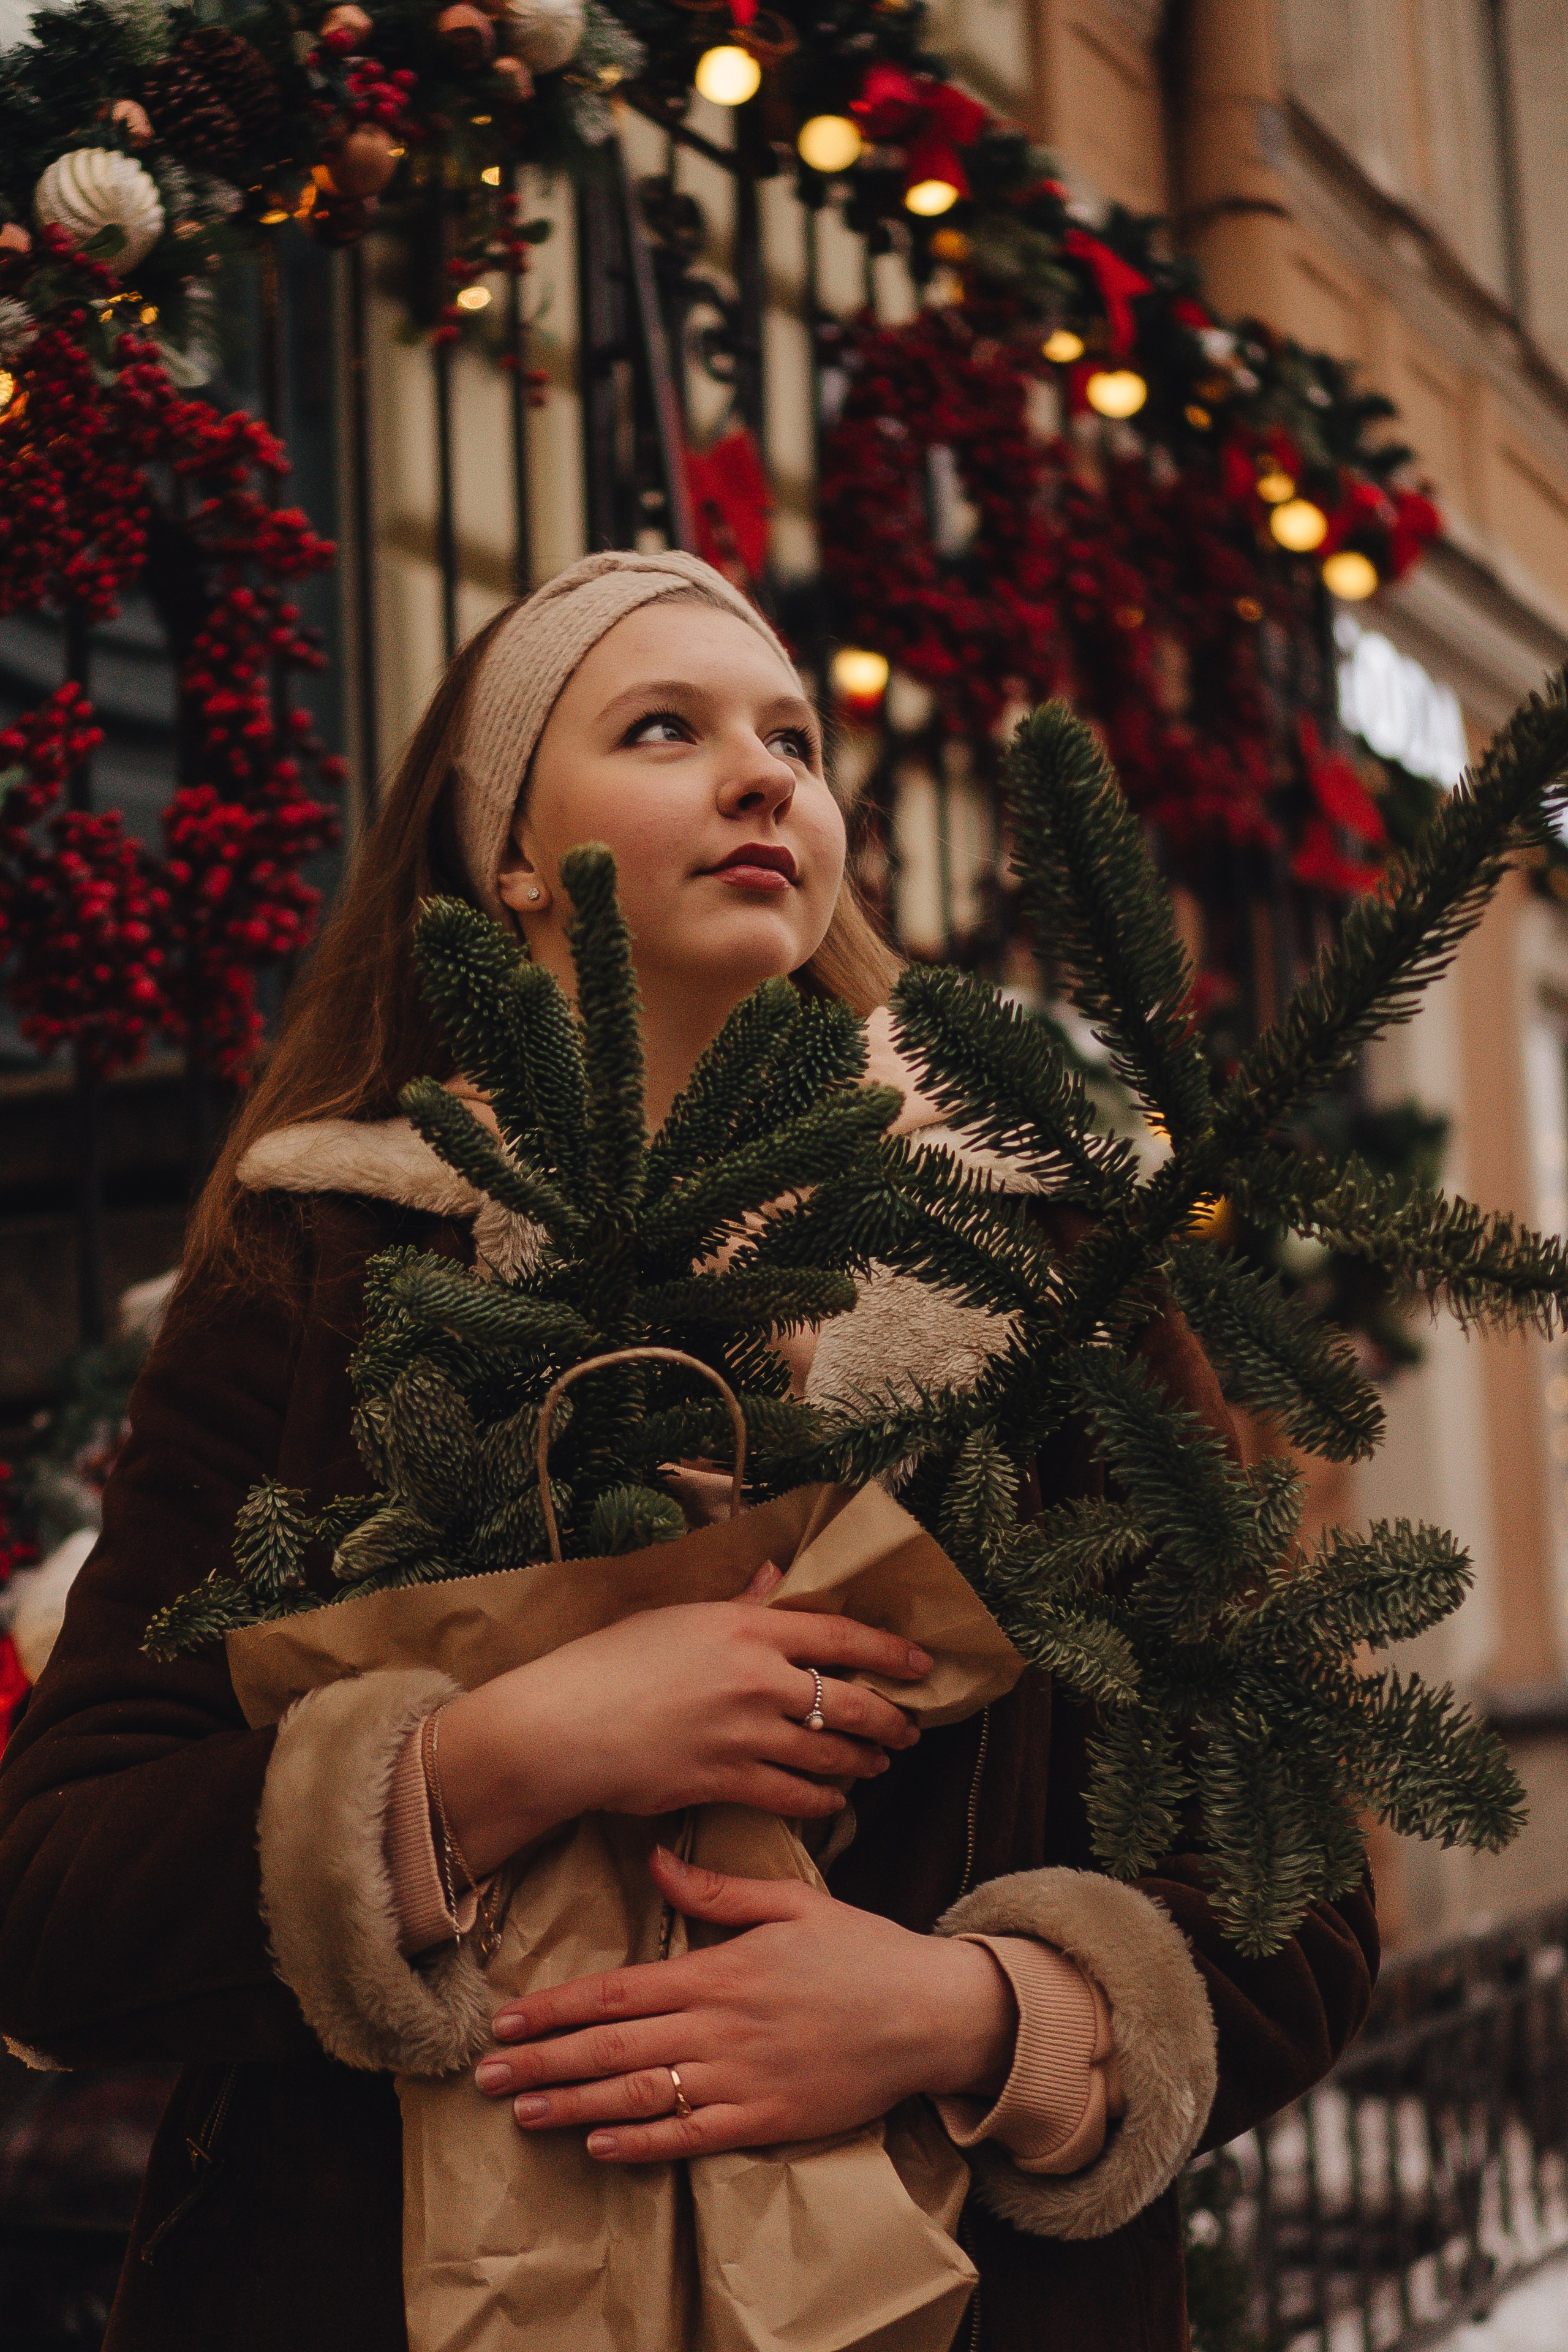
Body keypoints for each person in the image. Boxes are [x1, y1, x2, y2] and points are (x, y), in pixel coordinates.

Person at [0, 550, 1375, 2351]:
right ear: (507, 858)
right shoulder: (316, 1257)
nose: (766, 776)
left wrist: (976, 2015)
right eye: (666, 728)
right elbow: (58, 1904)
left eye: (794, 740)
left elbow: (1300, 1892)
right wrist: (506, 1753)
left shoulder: (1038, 1275)